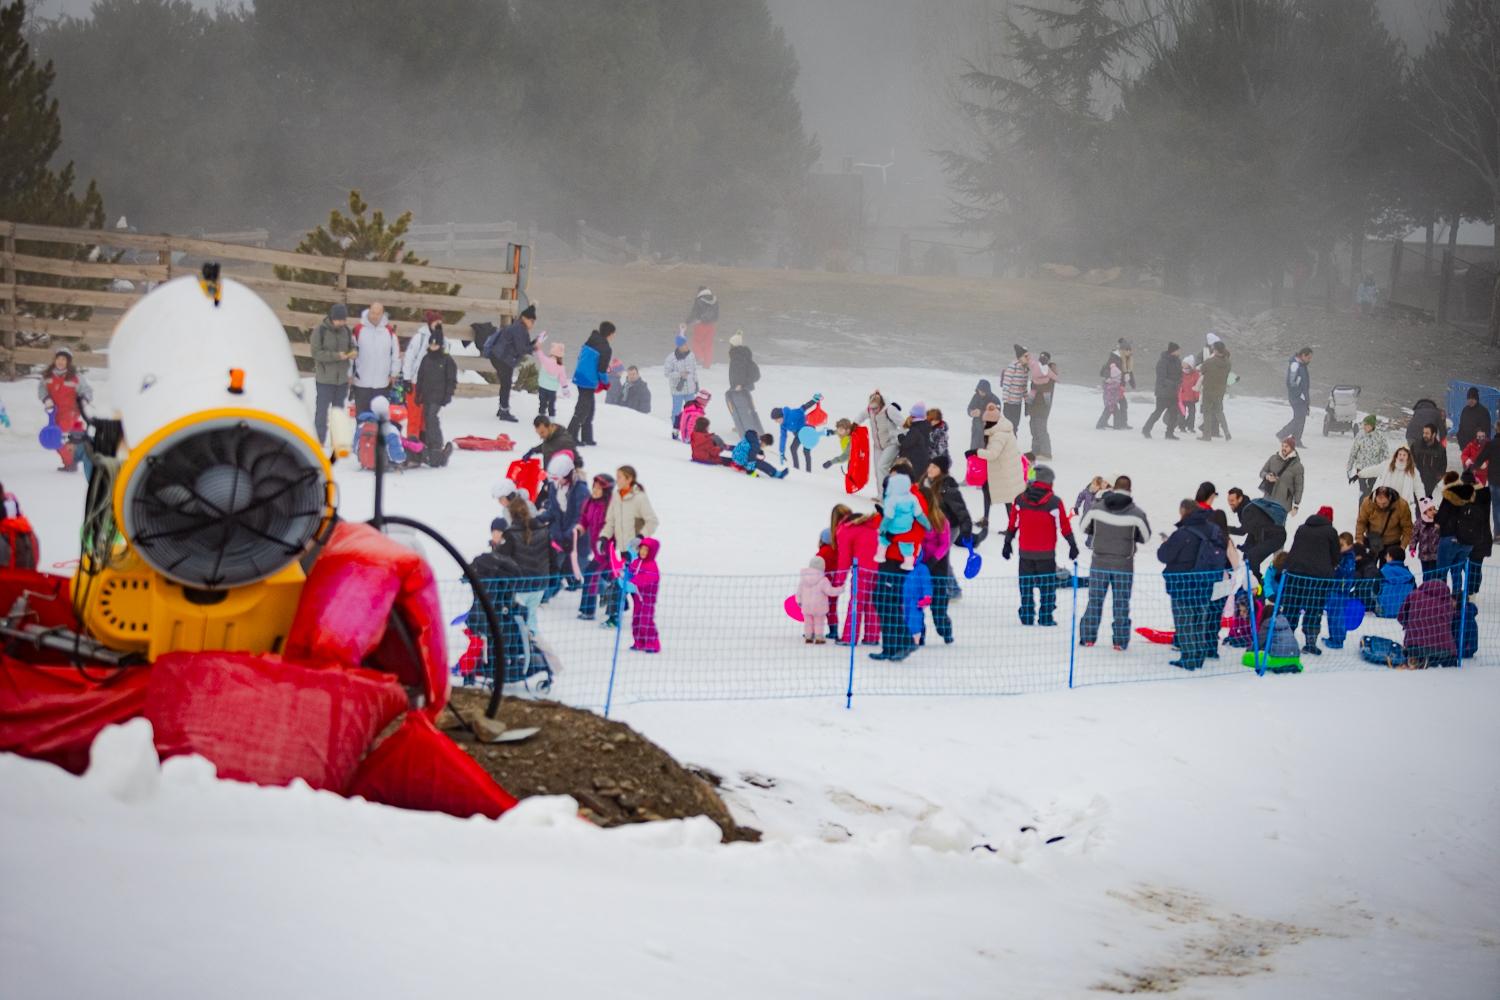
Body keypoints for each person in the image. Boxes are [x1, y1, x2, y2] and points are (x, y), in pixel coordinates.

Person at [1077, 475, 1150, 650]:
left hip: (1099, 562)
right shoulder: (1137, 513)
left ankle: (1088, 637)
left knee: (1094, 600)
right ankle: (1120, 641)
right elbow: (1145, 537)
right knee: (1121, 602)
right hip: (1124, 564)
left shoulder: (1096, 508)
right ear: (1130, 490)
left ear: (1113, 488)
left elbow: (1083, 527)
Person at [1002, 465, 1077, 627]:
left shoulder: (1020, 500)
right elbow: (1064, 525)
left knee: (1026, 585)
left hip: (1025, 552)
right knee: (1047, 586)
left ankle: (1027, 615)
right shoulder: (1054, 502)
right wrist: (1072, 545)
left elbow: (1013, 523)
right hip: (1046, 554)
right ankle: (1045, 616)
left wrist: (1007, 542)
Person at [1157, 499, 1226, 670]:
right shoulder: (1214, 529)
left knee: (1184, 620)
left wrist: (1166, 544)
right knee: (1199, 619)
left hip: (1183, 583)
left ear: (1184, 510)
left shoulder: (1182, 533)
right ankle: (1199, 655)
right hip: (1206, 582)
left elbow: (1164, 556)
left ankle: (1188, 657)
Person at [1282, 505, 1340, 655]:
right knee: (1314, 609)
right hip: (1318, 578)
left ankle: (1285, 639)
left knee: (1291, 606)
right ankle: (1310, 642)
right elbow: (1335, 556)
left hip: (1295, 574)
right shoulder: (1330, 531)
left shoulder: (1302, 528)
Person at [539, 451, 589, 601]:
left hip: (577, 539)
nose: (554, 481)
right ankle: (545, 595)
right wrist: (538, 519)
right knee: (552, 566)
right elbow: (554, 510)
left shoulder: (581, 491)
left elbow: (580, 517)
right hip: (559, 538)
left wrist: (568, 535)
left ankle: (607, 590)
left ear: (567, 475)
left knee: (582, 569)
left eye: (557, 478)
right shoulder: (555, 487)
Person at [499, 494, 551, 634]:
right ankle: (533, 643)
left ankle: (522, 648)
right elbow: (551, 555)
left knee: (517, 619)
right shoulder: (543, 529)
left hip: (520, 586)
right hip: (540, 583)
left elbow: (501, 559)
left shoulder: (510, 534)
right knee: (531, 616)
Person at [37, 347, 93, 472]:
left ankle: (71, 462)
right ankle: (71, 461)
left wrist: (84, 399)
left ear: (68, 362)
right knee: (58, 439)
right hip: (54, 413)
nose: (61, 362)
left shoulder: (75, 377)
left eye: (64, 359)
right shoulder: (47, 376)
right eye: (58, 359)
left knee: (62, 437)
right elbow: (41, 390)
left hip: (71, 413)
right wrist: (46, 399)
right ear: (54, 360)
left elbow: (87, 390)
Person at [410, 328, 456, 467]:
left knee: (432, 417)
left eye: (436, 344)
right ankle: (429, 444)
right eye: (431, 344)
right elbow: (421, 376)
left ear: (441, 345)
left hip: (438, 395)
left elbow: (451, 379)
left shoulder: (447, 360)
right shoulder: (426, 359)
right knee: (426, 418)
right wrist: (418, 393)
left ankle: (436, 444)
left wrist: (448, 394)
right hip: (427, 394)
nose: (433, 347)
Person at [311, 304, 355, 445]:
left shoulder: (346, 331)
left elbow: (352, 346)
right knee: (322, 412)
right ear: (332, 318)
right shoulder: (320, 331)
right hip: (325, 379)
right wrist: (337, 356)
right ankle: (319, 440)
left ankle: (337, 440)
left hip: (341, 380)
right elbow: (316, 353)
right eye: (339, 320)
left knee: (339, 413)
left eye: (344, 320)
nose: (342, 323)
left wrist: (353, 352)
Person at [977, 402, 1026, 531]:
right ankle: (986, 519)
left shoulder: (999, 435)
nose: (983, 424)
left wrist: (976, 453)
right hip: (1004, 469)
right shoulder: (1002, 426)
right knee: (987, 490)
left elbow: (993, 454)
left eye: (985, 422)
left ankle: (1013, 525)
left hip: (1005, 472)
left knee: (1008, 499)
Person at [484, 304, 536, 423]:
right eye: (532, 321)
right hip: (502, 358)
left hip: (500, 357)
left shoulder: (520, 327)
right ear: (525, 318)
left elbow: (523, 346)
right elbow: (521, 349)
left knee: (505, 383)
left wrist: (534, 343)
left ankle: (502, 408)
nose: (533, 324)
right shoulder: (519, 329)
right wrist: (534, 347)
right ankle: (504, 411)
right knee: (506, 384)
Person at [1226, 486, 1286, 583]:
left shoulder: (1249, 510)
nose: (1230, 503)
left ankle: (1257, 584)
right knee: (1247, 557)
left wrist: (1224, 528)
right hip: (1266, 535)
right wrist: (1247, 545)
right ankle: (1251, 582)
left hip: (1276, 537)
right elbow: (1252, 529)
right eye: (1229, 500)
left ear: (1240, 498)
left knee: (1253, 556)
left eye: (1232, 500)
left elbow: (1242, 531)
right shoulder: (1244, 508)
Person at [568, 322, 615, 446]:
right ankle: (570, 436)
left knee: (589, 408)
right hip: (588, 380)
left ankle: (586, 437)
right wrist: (605, 383)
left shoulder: (591, 339)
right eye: (613, 334)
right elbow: (602, 369)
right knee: (583, 409)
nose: (613, 337)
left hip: (580, 376)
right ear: (609, 334)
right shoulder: (606, 348)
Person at [575, 473, 615, 621]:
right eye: (594, 487)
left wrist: (607, 541)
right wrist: (579, 528)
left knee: (590, 574)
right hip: (596, 547)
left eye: (599, 488)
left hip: (607, 549)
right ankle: (620, 604)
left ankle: (588, 610)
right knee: (611, 576)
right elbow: (584, 519)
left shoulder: (611, 506)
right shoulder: (590, 503)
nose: (595, 491)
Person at [350, 303, 401, 417]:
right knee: (362, 418)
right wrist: (349, 374)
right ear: (369, 311)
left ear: (382, 314)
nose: (375, 316)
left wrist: (394, 373)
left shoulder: (389, 331)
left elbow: (395, 355)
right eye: (373, 312)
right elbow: (351, 354)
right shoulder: (358, 330)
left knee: (379, 418)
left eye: (378, 313)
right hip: (362, 382)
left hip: (382, 383)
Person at [1435, 472, 1483, 593]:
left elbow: (1441, 517)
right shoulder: (1471, 495)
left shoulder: (1449, 495)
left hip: (1449, 537)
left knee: (1442, 571)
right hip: (1467, 541)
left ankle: (1442, 597)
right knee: (1457, 570)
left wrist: (1436, 521)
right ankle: (1457, 597)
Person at [599, 465, 658, 559]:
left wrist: (640, 537)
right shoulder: (616, 497)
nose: (616, 480)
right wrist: (604, 537)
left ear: (629, 479)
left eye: (619, 477)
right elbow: (610, 521)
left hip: (637, 550)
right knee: (624, 573)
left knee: (636, 573)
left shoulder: (639, 497)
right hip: (623, 549)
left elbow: (652, 521)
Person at [1396, 579, 1457, 667]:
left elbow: (1400, 617)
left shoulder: (1414, 595)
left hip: (1415, 646)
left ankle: (1420, 660)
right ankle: (1433, 660)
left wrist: (1411, 625)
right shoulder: (1448, 602)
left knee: (1416, 653)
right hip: (1444, 649)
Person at [1357, 446, 1421, 511]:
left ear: (1408, 456)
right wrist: (1359, 474)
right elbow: (1374, 470)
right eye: (1400, 454)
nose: (1401, 457)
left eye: (1404, 455)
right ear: (1396, 455)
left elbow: (1419, 488)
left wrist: (1423, 502)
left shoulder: (1413, 471)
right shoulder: (1387, 465)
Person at [725, 330, 764, 437]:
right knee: (745, 407)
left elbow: (739, 372)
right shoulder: (742, 353)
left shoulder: (737, 356)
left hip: (739, 387)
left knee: (742, 408)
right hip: (743, 386)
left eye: (730, 344)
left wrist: (739, 384)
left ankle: (748, 430)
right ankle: (743, 426)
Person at [1141, 341, 1183, 439]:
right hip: (1163, 392)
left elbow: (1180, 374)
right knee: (1158, 412)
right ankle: (1146, 429)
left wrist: (1179, 382)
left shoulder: (1177, 361)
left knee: (1174, 413)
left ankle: (1169, 433)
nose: (1179, 352)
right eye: (1178, 350)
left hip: (1174, 392)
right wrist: (1172, 384)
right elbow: (1161, 378)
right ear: (1173, 351)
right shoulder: (1163, 361)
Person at [627, 537, 662, 653]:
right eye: (641, 549)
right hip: (637, 598)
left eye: (646, 550)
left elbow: (648, 578)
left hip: (647, 599)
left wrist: (634, 580)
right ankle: (639, 642)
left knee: (646, 621)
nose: (643, 552)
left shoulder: (652, 565)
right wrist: (624, 574)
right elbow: (630, 573)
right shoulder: (636, 562)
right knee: (636, 620)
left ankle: (652, 644)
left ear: (651, 552)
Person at [861, 391, 902, 487]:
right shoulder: (870, 410)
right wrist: (854, 424)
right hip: (878, 446)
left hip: (891, 444)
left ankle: (887, 494)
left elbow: (903, 424)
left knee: (882, 467)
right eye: (871, 408)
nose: (873, 411)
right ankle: (881, 494)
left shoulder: (889, 410)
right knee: (878, 469)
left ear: (881, 404)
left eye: (875, 408)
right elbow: (861, 415)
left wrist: (901, 437)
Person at [664, 329, 700, 436]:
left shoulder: (691, 355)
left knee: (692, 410)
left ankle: (692, 429)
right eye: (684, 344)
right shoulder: (670, 358)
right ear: (679, 346)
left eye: (686, 344)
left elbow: (694, 370)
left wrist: (696, 383)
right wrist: (680, 374)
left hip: (690, 389)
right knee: (677, 411)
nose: (686, 346)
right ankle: (676, 429)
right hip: (677, 390)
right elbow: (667, 373)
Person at [797, 557, 841, 644]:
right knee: (819, 622)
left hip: (806, 605)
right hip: (819, 607)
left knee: (808, 622)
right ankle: (819, 638)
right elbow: (830, 591)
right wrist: (840, 589)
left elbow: (799, 591)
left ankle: (808, 637)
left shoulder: (804, 579)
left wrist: (799, 600)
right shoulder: (823, 580)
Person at [772, 396, 822, 472]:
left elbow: (803, 408)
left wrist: (814, 400)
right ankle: (796, 470)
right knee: (793, 448)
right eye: (774, 420)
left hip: (808, 430)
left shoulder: (792, 414)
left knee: (806, 451)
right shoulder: (782, 425)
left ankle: (808, 472)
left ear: (781, 416)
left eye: (776, 419)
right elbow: (783, 437)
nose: (776, 422)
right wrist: (781, 452)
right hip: (799, 434)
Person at [1354, 486, 1412, 553]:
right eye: (1378, 503)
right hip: (1372, 540)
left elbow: (1407, 528)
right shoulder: (1367, 503)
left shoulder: (1401, 505)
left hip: (1392, 543)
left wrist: (1402, 546)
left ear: (1390, 498)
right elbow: (1361, 522)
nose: (1381, 506)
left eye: (1384, 504)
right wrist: (1359, 540)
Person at [1257, 437, 1305, 516]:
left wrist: (1296, 505)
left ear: (1292, 448)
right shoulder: (1273, 459)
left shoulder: (1297, 467)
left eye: (1286, 446)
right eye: (1282, 446)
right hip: (1267, 500)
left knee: (1278, 527)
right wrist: (1267, 476)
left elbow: (1299, 487)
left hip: (1283, 504)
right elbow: (1262, 472)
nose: (1283, 448)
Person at [1276, 346, 1313, 446]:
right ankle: (1282, 434)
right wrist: (1299, 394)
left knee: (1301, 417)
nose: (1310, 360)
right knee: (1299, 418)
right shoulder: (1295, 365)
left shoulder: (1302, 365)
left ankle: (1296, 440)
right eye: (1308, 358)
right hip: (1296, 397)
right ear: (1303, 355)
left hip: (1302, 397)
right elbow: (1291, 382)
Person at [1345, 415, 1388, 499]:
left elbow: (1385, 453)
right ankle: (1361, 510)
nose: (1364, 427)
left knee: (1369, 491)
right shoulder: (1360, 435)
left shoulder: (1380, 437)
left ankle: (1367, 509)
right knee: (1363, 491)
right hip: (1361, 468)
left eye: (1367, 425)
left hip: (1374, 469)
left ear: (1372, 426)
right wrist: (1349, 467)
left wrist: (1384, 468)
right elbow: (1353, 452)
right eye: (1364, 424)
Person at [1027, 352, 1059, 460]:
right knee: (1033, 428)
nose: (1042, 359)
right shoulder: (1038, 371)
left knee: (1041, 429)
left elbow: (1044, 388)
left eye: (1044, 358)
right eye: (1041, 357)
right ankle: (1035, 451)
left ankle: (1046, 453)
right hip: (1034, 406)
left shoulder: (1050, 375)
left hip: (1043, 407)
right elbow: (1033, 388)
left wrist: (1035, 385)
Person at [1197, 342, 1231, 441]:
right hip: (1220, 390)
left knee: (1207, 412)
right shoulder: (1228, 363)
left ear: (1215, 350)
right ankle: (1226, 432)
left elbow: (1202, 370)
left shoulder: (1209, 362)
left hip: (1208, 390)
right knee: (1219, 411)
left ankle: (1207, 435)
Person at [401, 310, 443, 386]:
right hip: (417, 380)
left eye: (440, 323)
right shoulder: (419, 337)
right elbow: (409, 357)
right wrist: (407, 378)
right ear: (430, 323)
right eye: (436, 322)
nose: (438, 325)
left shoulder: (443, 340)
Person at [534, 338, 570, 419]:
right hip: (552, 389)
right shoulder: (561, 367)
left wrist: (538, 343)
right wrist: (565, 391)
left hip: (542, 386)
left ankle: (541, 419)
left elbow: (539, 352)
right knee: (551, 406)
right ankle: (551, 421)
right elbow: (563, 380)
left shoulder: (545, 360)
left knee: (542, 404)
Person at [685, 286, 719, 368]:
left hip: (700, 325)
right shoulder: (715, 300)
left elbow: (694, 313)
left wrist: (687, 322)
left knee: (696, 342)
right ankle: (707, 364)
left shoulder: (699, 300)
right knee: (708, 345)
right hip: (711, 325)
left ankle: (700, 357)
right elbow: (717, 315)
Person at [1377, 545, 1416, 617]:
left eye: (1387, 555)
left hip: (1384, 612)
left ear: (1391, 558)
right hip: (1405, 613)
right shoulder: (1410, 575)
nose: (1385, 557)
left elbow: (1375, 591)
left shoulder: (1382, 572)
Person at [897, 403, 934, 475]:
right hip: (923, 461)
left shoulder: (915, 429)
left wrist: (900, 437)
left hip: (915, 463)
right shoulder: (925, 426)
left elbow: (905, 443)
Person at [1411, 424, 1447, 497]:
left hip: (1430, 481)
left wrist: (1437, 477)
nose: (1424, 435)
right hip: (1417, 479)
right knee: (1415, 501)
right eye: (1424, 433)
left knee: (1425, 501)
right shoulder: (1416, 446)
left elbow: (1443, 465)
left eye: (1427, 433)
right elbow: (1410, 459)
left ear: (1434, 434)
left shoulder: (1440, 449)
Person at [1000, 346, 1030, 431]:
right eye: (1026, 356)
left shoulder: (1025, 368)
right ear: (1021, 356)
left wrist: (1027, 402)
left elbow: (1024, 388)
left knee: (1015, 426)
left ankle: (1013, 443)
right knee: (1009, 426)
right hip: (1009, 403)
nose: (1028, 358)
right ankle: (1008, 443)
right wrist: (1005, 402)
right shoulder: (1013, 366)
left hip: (1018, 403)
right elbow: (1006, 384)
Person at [967, 379, 1002, 451]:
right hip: (976, 428)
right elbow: (969, 408)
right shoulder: (976, 396)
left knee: (986, 450)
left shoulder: (995, 399)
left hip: (988, 430)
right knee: (974, 449)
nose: (981, 393)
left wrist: (981, 413)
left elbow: (996, 414)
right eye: (979, 391)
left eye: (983, 391)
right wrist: (971, 412)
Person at [1413, 497, 1441, 581]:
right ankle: (1425, 590)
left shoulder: (1438, 521)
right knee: (1426, 574)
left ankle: (1435, 590)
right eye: (1430, 510)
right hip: (1424, 554)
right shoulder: (1419, 522)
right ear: (1424, 512)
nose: (1433, 511)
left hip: (1436, 554)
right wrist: (1412, 547)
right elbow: (1414, 536)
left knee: (1435, 574)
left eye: (1434, 509)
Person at [1097, 350, 1125, 431]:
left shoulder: (1112, 363)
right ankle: (1102, 425)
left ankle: (1104, 424)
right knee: (1112, 411)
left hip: (1111, 398)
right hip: (1110, 399)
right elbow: (1107, 372)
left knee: (1110, 411)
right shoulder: (1113, 364)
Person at [1177, 354, 1201, 435]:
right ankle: (1182, 426)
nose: (1183, 366)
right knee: (1182, 413)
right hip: (1182, 397)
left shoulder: (1195, 374)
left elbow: (1197, 386)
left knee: (1192, 412)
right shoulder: (1179, 373)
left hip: (1191, 397)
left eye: (1186, 364)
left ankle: (1190, 427)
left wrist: (1196, 397)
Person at [1115, 338, 1136, 429]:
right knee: (1115, 406)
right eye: (1128, 350)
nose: (1130, 352)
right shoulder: (1116, 359)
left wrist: (1132, 383)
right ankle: (1119, 424)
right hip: (1114, 386)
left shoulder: (1128, 359)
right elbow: (1107, 370)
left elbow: (1129, 372)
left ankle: (1121, 424)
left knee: (1120, 405)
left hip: (1121, 387)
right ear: (1123, 350)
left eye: (1130, 350)